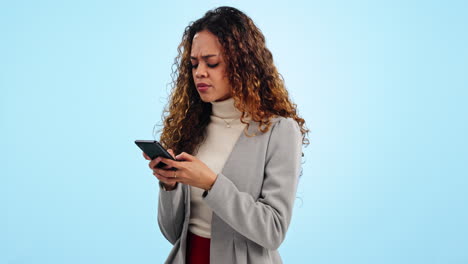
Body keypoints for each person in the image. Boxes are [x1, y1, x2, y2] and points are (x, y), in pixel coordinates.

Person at [143, 6, 309, 264]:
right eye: (194, 64)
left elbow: (273, 231)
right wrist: (170, 185)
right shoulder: (191, 126)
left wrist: (211, 183)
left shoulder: (279, 131)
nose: (199, 72)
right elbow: (173, 232)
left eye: (212, 63)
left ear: (242, 63)